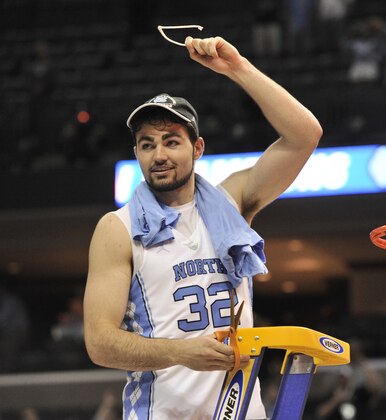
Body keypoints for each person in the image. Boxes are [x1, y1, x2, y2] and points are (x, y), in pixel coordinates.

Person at [83, 35, 322, 420]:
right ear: (136, 154)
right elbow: (99, 343)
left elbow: (305, 135)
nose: (158, 155)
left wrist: (237, 67)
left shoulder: (232, 203)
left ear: (197, 148)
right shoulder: (117, 228)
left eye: (171, 142)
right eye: (146, 145)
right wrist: (180, 352)